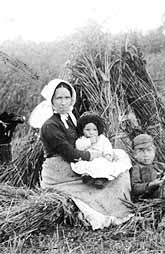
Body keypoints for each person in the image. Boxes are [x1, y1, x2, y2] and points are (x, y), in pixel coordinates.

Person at [29, 79, 132, 230]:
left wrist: (103, 150)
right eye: (59, 98)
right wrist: (95, 156)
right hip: (60, 169)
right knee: (108, 175)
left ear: (72, 99)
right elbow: (69, 153)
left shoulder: (70, 118)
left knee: (120, 156)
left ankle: (123, 204)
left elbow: (82, 139)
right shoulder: (50, 126)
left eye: (66, 98)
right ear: (51, 100)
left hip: (75, 160)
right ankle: (112, 211)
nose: (63, 102)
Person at [130, 134, 165, 225]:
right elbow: (135, 188)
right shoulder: (136, 168)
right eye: (141, 151)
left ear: (154, 152)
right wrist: (151, 184)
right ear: (135, 154)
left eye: (149, 150)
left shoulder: (160, 165)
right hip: (151, 196)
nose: (146, 154)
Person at [71, 112, 131, 188]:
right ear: (82, 130)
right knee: (85, 165)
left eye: (94, 130)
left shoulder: (102, 138)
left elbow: (107, 146)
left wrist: (108, 154)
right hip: (89, 158)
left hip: (101, 157)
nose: (91, 132)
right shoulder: (82, 139)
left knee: (102, 163)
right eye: (87, 130)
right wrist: (89, 141)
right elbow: (79, 147)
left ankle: (100, 179)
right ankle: (87, 177)